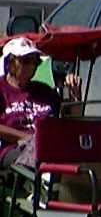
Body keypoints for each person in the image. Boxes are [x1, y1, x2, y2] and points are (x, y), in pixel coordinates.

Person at [0, 37, 59, 167]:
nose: (32, 66)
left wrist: (75, 96)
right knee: (37, 151)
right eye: (26, 61)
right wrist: (24, 137)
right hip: (15, 148)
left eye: (36, 61)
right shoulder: (1, 89)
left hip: (49, 144)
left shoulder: (44, 90)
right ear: (10, 63)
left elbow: (66, 119)